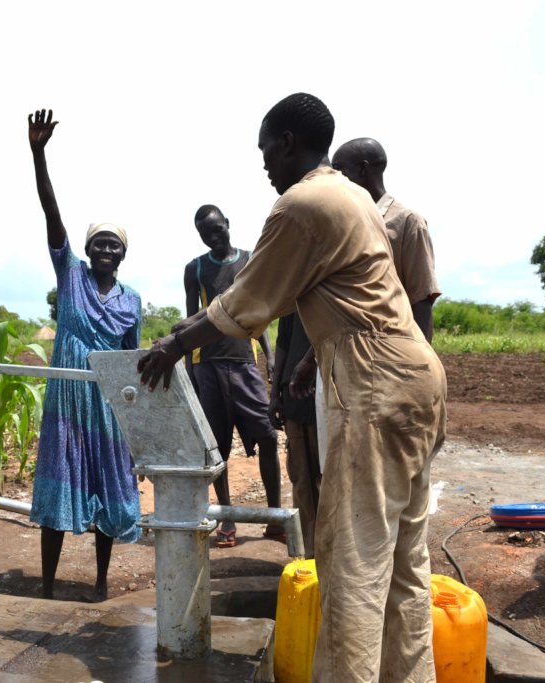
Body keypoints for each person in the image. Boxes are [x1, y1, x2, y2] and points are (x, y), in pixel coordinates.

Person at [138, 93, 446, 682]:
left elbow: (247, 300)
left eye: (263, 150)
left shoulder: (300, 203)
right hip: (416, 373)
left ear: (286, 142)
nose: (262, 165)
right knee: (406, 562)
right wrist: (307, 367)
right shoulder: (355, 196)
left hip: (375, 381)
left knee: (351, 559)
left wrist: (174, 344)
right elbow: (356, 296)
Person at [26, 109, 142, 602]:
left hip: (108, 404)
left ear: (123, 253)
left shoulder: (131, 300)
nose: (105, 251)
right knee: (59, 488)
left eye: (113, 245)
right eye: (98, 243)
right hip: (68, 398)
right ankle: (48, 584)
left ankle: (99, 582)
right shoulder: (69, 274)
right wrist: (38, 153)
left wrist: (135, 422)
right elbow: (51, 212)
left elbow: (132, 359)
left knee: (107, 488)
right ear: (87, 248)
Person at [184, 205, 282, 547]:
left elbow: (260, 312)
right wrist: (189, 376)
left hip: (243, 363)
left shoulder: (250, 260)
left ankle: (275, 518)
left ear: (227, 225)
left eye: (217, 229)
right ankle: (226, 520)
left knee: (268, 436)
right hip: (208, 366)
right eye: (204, 233)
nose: (213, 236)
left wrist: (269, 357)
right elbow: (191, 321)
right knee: (217, 449)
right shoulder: (195, 269)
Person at [331, 137, 441, 340]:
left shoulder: (407, 222)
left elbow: (421, 300)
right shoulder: (344, 223)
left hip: (388, 351)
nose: (333, 179)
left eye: (339, 170)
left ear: (362, 170)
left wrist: (420, 366)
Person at [268, 313, 319, 558]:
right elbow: (283, 341)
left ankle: (332, 555)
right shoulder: (293, 290)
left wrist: (311, 359)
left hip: (329, 391)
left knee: (330, 479)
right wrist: (275, 393)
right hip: (294, 393)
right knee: (301, 479)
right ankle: (310, 554)